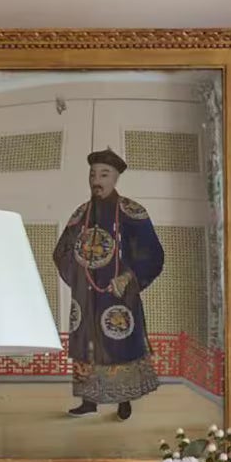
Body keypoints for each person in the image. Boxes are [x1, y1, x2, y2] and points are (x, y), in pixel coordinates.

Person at [51, 148, 166, 419]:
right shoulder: (81, 213)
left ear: (115, 178)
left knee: (120, 343)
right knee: (87, 346)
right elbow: (61, 252)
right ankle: (89, 400)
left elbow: (153, 253)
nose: (96, 180)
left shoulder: (131, 211)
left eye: (104, 174)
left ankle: (123, 401)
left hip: (118, 294)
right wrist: (79, 274)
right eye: (92, 174)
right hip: (87, 295)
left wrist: (127, 277)